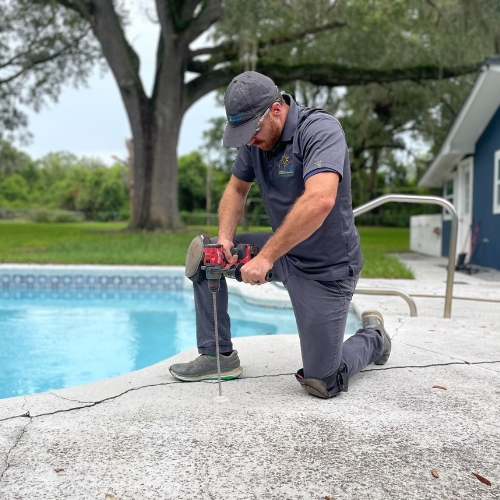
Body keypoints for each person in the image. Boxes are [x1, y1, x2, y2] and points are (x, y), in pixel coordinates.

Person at [169, 71, 391, 399]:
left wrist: (266, 256)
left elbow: (321, 199)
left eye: (252, 131)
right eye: (241, 133)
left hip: (325, 270)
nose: (249, 140)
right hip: (283, 250)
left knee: (321, 382)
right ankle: (218, 356)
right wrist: (226, 239)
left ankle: (374, 338)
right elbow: (236, 188)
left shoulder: (320, 130)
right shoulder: (255, 140)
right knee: (208, 255)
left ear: (276, 110)